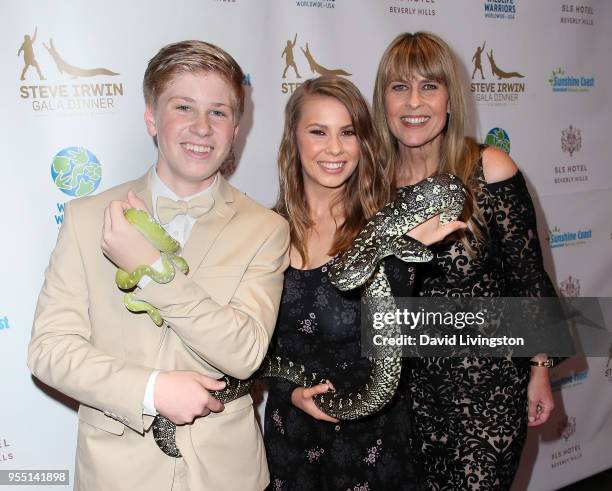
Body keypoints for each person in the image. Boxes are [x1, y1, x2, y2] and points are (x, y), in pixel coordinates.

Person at [28, 40, 290, 491]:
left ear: (236, 127)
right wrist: (151, 390)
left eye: (219, 112)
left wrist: (152, 267)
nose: (202, 128)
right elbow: (49, 351)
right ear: (152, 117)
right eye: (183, 107)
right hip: (117, 473)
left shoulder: (266, 228)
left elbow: (245, 353)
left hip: (227, 475)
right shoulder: (87, 217)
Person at [372, 32, 558, 490]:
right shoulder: (370, 184)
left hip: (486, 393)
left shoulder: (489, 168)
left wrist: (540, 371)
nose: (414, 102)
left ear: (450, 98)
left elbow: (528, 281)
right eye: (400, 87)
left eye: (429, 87)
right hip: (403, 398)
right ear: (384, 101)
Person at [263, 75, 464, 491]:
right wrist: (290, 392)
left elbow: (392, 340)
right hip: (292, 439)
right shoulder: (264, 232)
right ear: (293, 140)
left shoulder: (386, 226)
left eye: (348, 133)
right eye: (318, 132)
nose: (335, 148)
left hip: (371, 445)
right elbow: (257, 349)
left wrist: (395, 251)